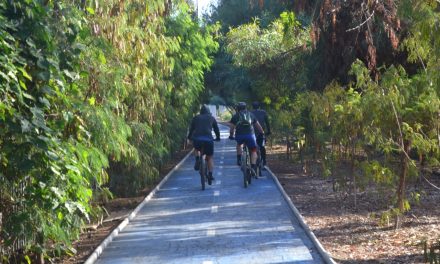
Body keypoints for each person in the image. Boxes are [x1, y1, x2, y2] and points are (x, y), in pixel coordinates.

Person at [228, 102, 264, 175]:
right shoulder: (251, 115)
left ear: (237, 109)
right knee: (254, 150)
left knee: (239, 144)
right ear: (246, 108)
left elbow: (232, 128)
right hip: (250, 135)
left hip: (240, 136)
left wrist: (231, 135)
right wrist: (262, 133)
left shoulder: (235, 116)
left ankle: (238, 159)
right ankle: (253, 167)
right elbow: (258, 126)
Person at [187, 105, 221, 183]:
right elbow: (216, 129)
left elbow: (191, 129)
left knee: (196, 148)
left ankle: (197, 159)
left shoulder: (196, 118)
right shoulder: (211, 118)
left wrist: (189, 137)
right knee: (209, 158)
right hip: (208, 140)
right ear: (208, 112)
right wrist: (218, 137)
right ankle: (210, 174)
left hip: (198, 140)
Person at [251, 101, 271, 168]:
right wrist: (269, 131)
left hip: (252, 133)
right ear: (259, 107)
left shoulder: (250, 113)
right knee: (262, 147)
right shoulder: (263, 112)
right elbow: (267, 123)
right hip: (261, 132)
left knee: (252, 147)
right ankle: (264, 162)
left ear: (252, 107)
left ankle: (252, 162)